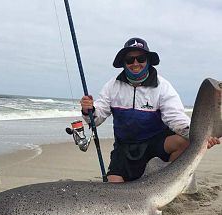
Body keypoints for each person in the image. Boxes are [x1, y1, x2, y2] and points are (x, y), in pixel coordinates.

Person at [81, 37, 220, 183]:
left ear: (147, 60)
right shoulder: (112, 86)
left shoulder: (163, 87)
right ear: (123, 63)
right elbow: (95, 119)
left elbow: (176, 119)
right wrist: (88, 110)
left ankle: (171, 182)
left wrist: (200, 137)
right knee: (113, 188)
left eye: (140, 58)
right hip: (124, 147)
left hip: (155, 142)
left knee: (184, 141)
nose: (135, 63)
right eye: (130, 60)